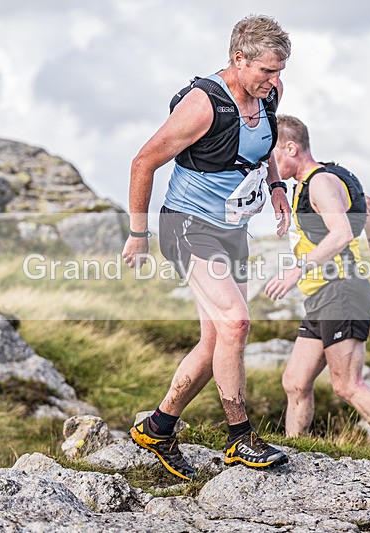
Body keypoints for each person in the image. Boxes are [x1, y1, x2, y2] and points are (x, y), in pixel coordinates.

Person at [121, 15, 292, 480]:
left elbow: (264, 149)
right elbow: (143, 162)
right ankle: (240, 437)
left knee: (216, 337)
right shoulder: (204, 105)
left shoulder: (268, 96)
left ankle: (157, 427)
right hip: (187, 225)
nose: (275, 81)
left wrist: (276, 187)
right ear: (238, 59)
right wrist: (138, 234)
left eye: (280, 71)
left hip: (231, 229)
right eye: (266, 72)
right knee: (236, 322)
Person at [264, 115, 370, 460]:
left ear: (291, 148)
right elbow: (366, 204)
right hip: (322, 296)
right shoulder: (326, 177)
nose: (269, 165)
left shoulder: (320, 183)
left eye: (272, 153)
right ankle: (295, 452)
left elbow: (340, 233)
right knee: (294, 381)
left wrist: (297, 270)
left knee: (347, 385)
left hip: (341, 290)